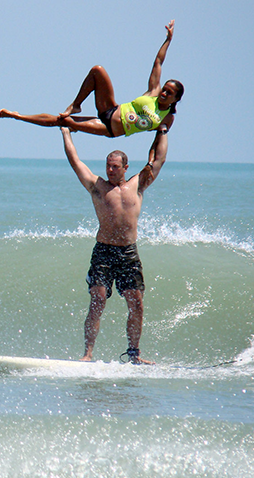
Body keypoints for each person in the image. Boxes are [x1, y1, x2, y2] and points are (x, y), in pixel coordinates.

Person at [60, 125, 168, 364]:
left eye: (115, 166)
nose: (110, 170)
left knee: (136, 303)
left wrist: (162, 131)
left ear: (125, 167)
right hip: (104, 251)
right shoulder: (97, 187)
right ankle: (88, 354)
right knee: (97, 300)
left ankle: (134, 354)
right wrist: (66, 133)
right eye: (108, 165)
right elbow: (75, 161)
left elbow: (158, 159)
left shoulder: (138, 184)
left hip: (128, 253)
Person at [0, 20, 183, 138]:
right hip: (110, 109)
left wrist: (151, 163)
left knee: (63, 121)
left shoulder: (167, 118)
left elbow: (160, 143)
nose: (164, 92)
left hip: (110, 129)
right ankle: (76, 105)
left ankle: (17, 116)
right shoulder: (153, 93)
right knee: (98, 70)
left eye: (170, 92)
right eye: (165, 88)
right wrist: (168, 40)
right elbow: (158, 62)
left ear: (176, 99)